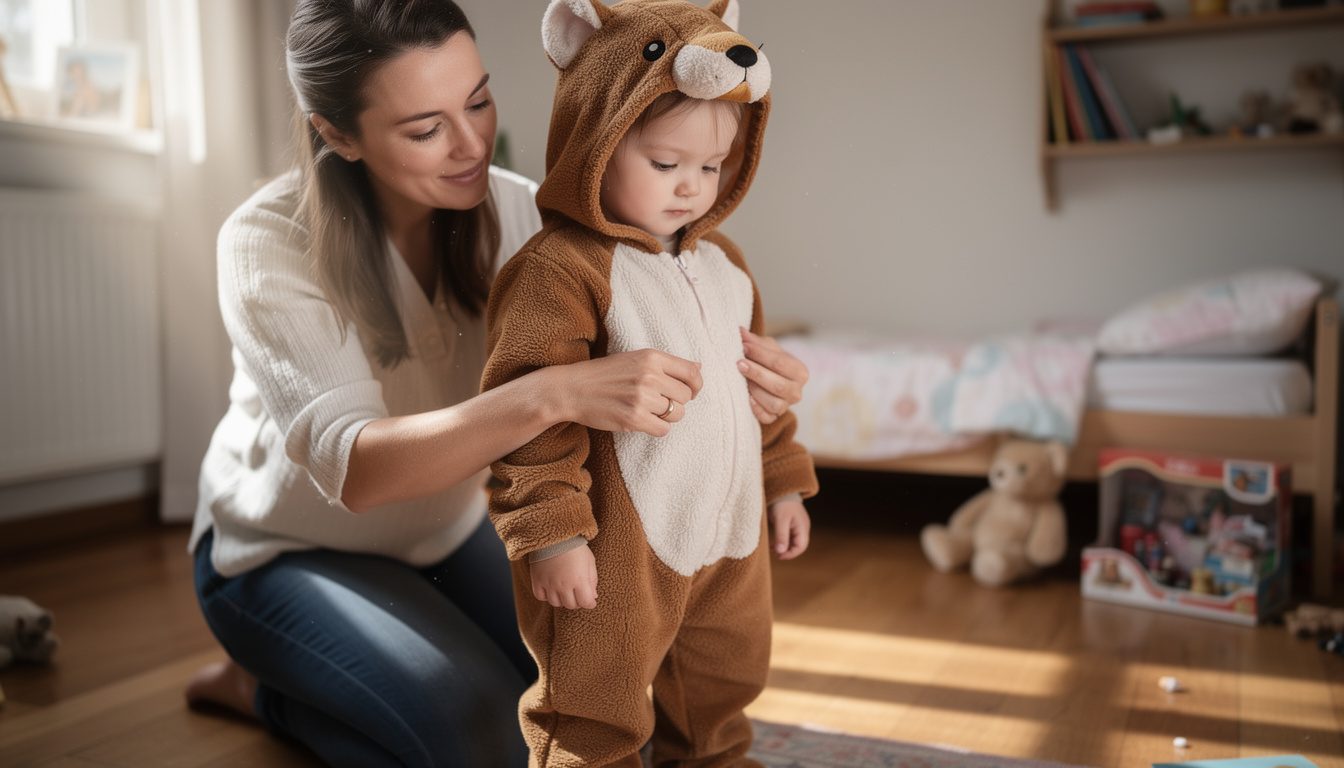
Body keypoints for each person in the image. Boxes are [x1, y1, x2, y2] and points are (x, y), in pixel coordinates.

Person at [182, 1, 813, 767]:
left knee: (601, 699)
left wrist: (749, 387)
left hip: (447, 532)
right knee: (482, 744)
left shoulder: (524, 211)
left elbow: (659, 346)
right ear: (337, 133)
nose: (471, 143)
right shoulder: (266, 240)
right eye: (425, 128)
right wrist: (555, 393)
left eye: (477, 100)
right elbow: (356, 470)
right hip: (285, 552)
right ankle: (267, 692)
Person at [480, 1, 818, 765]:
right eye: (665, 164)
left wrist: (784, 483)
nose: (691, 187)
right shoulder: (559, 269)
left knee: (723, 685)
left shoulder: (725, 265)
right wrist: (553, 536)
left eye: (711, 167)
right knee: (595, 700)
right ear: (596, 143)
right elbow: (531, 415)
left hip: (729, 537)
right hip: (615, 549)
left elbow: (757, 392)